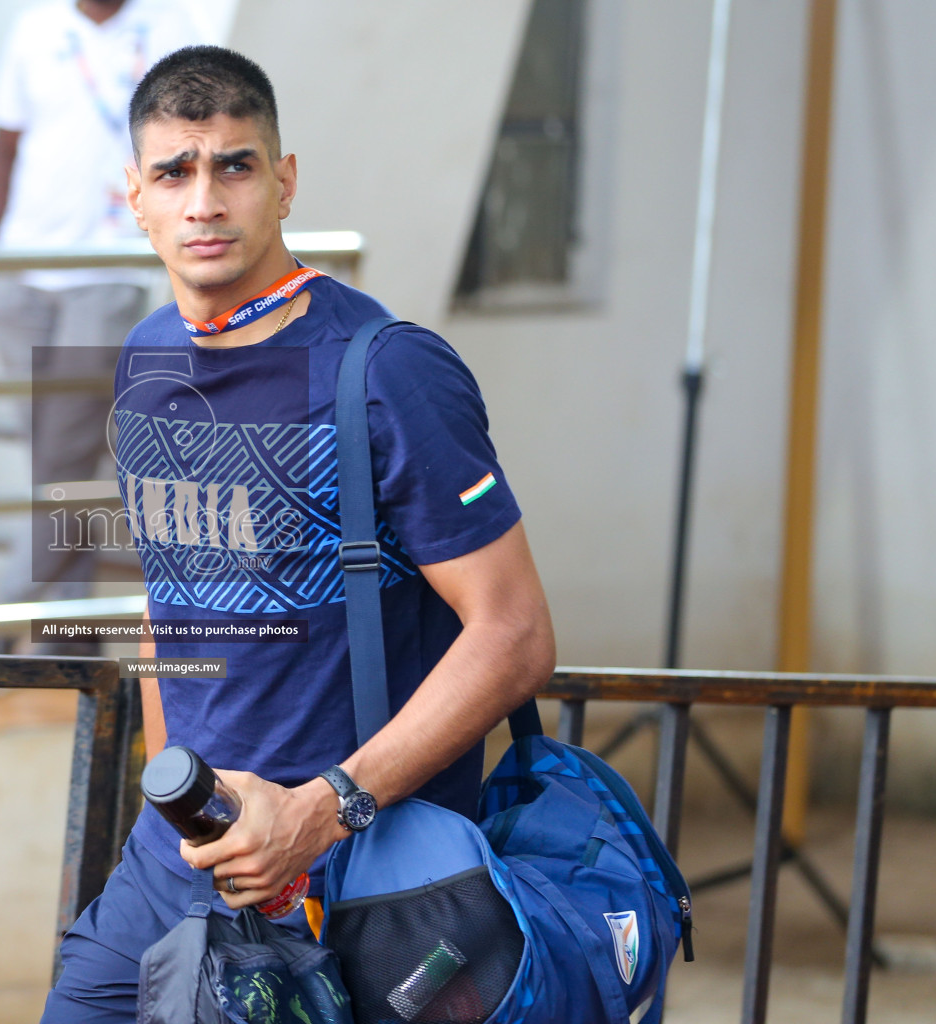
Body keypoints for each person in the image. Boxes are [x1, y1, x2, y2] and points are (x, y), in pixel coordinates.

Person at [42, 46, 557, 1021]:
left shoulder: (387, 371)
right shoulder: (148, 358)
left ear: (283, 183)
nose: (204, 201)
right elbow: (169, 598)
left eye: (234, 165)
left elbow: (516, 633)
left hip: (356, 879)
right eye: (174, 172)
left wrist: (320, 811)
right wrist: (173, 805)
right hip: (175, 869)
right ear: (135, 199)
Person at [0, 0, 200, 651]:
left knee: (67, 457)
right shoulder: (37, 25)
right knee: (55, 462)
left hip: (106, 272)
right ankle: (69, 637)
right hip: (20, 275)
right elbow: (3, 146)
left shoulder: (169, 29)